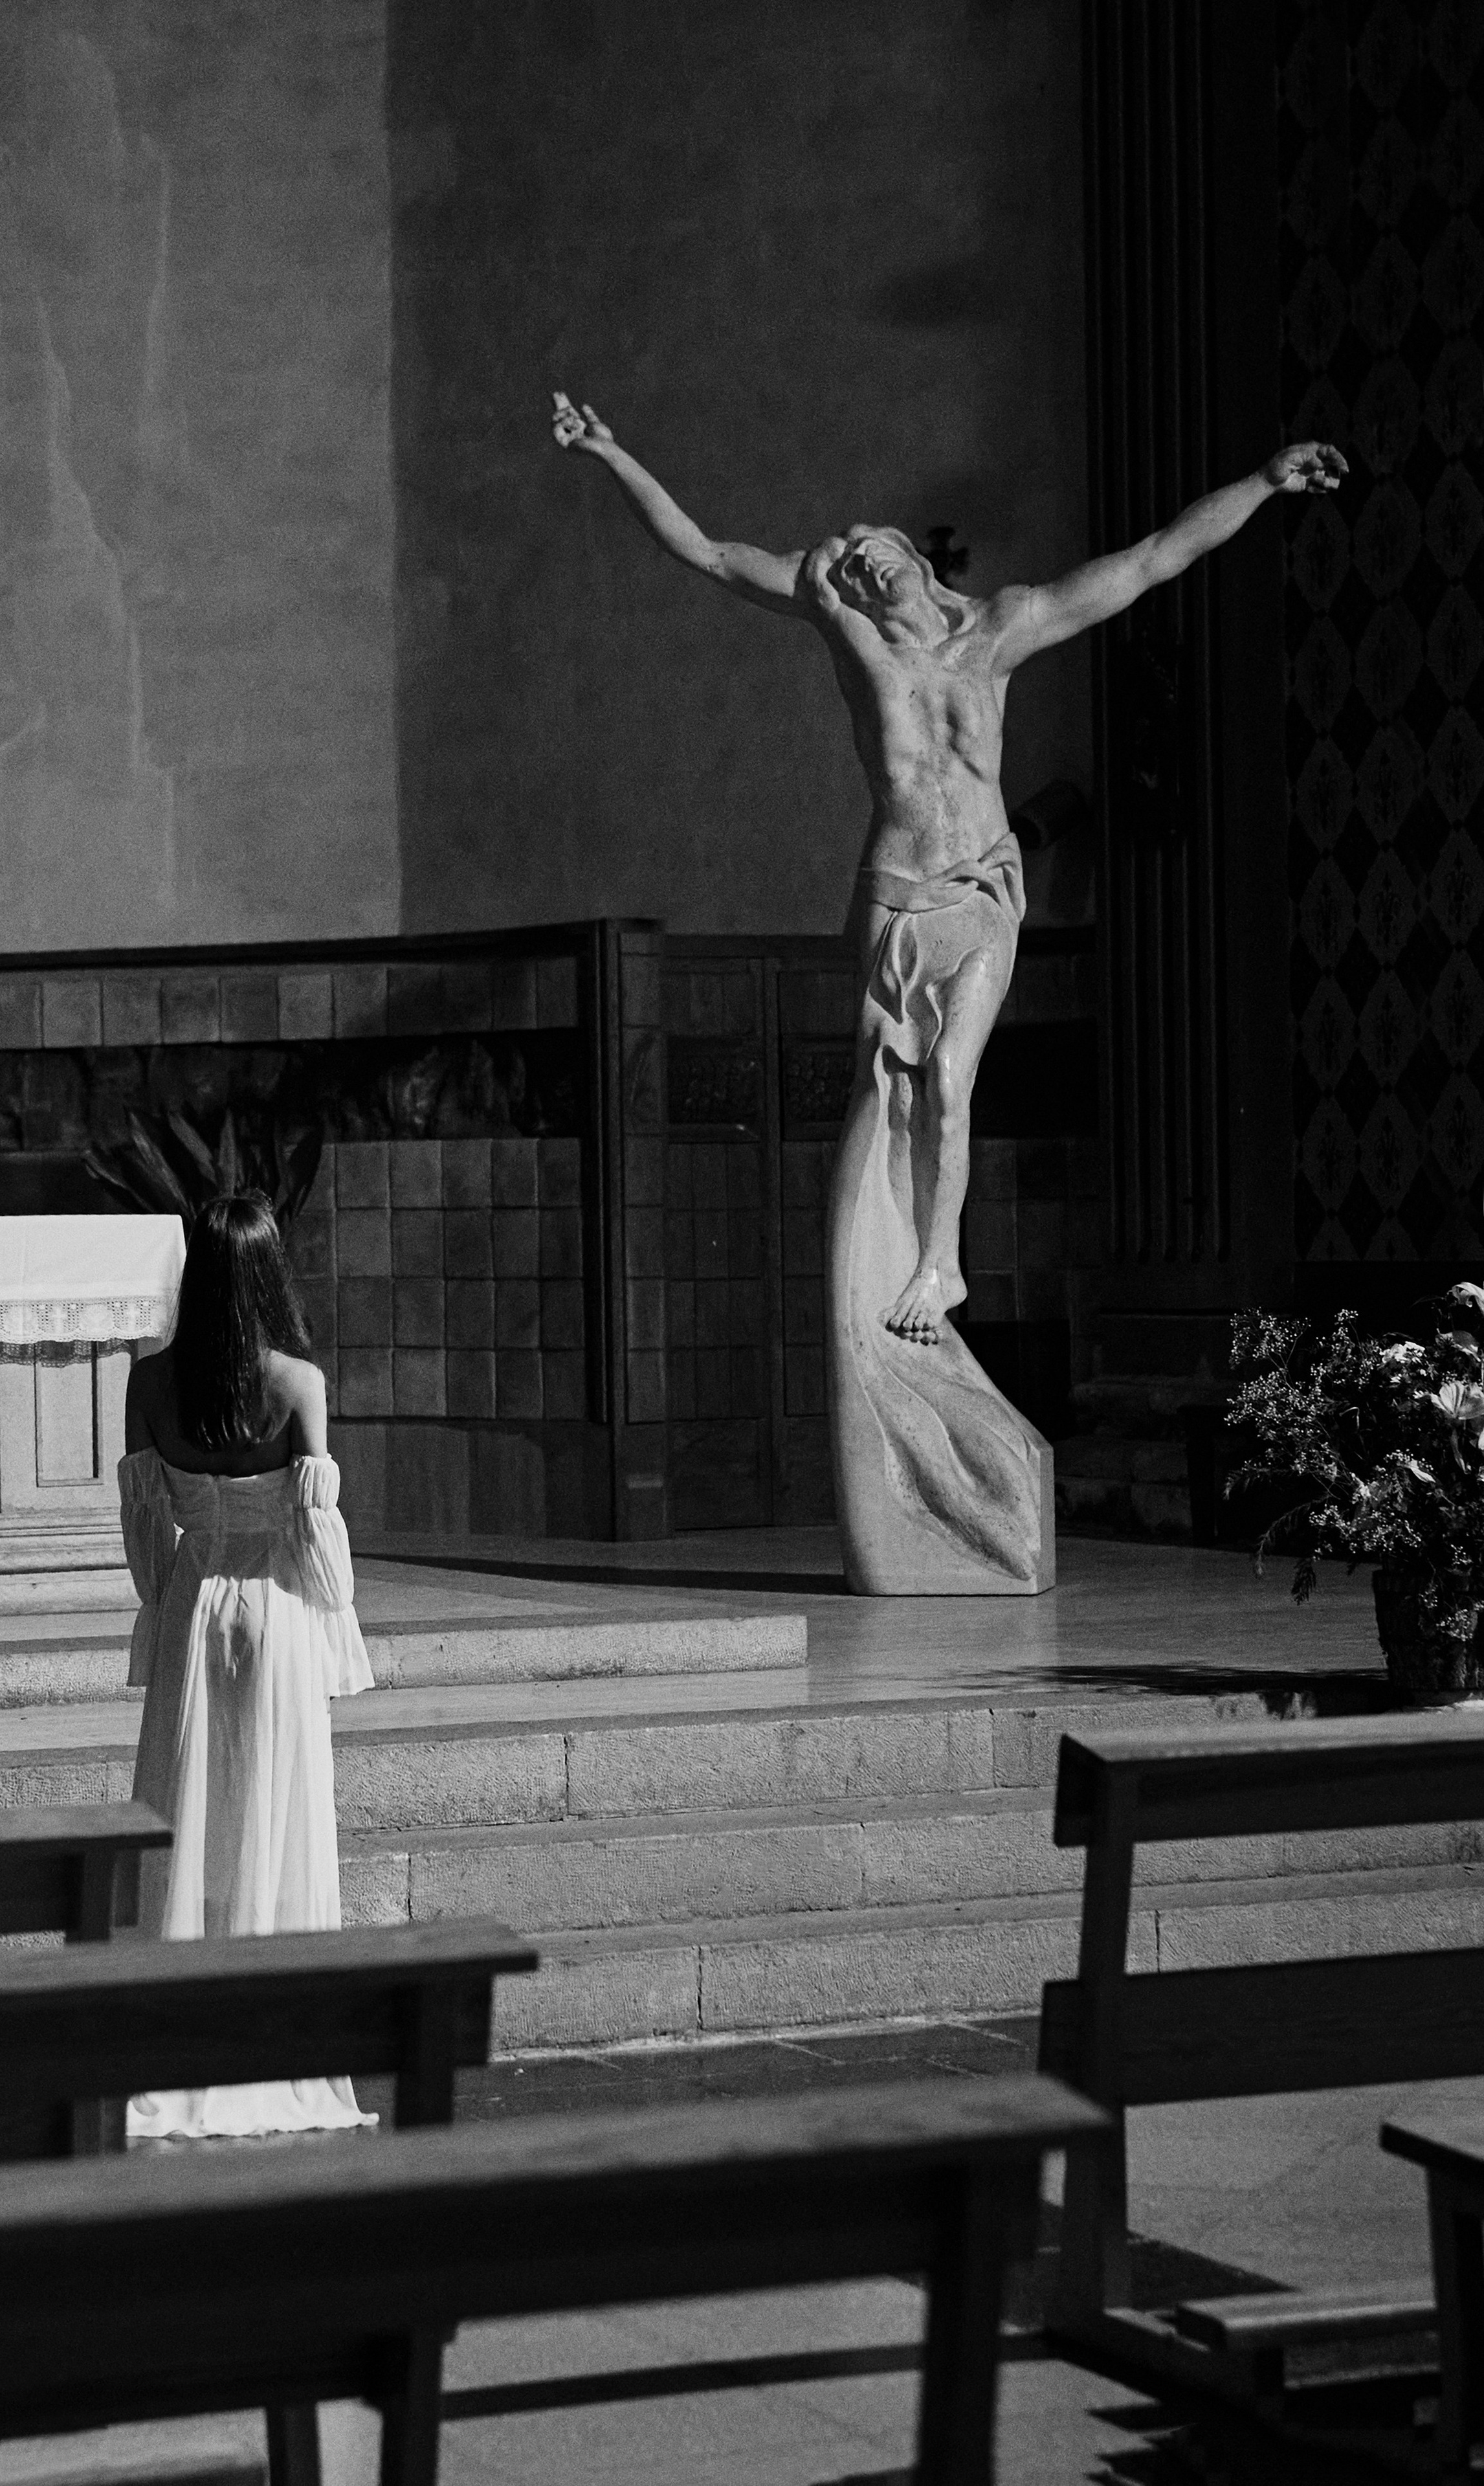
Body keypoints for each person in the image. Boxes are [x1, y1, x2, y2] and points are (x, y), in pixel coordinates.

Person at [551, 392, 1346, 1347]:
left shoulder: (1001, 630)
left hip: (977, 889)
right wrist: (612, 454)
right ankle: (883, 1279)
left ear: (915, 559)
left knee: (949, 1084)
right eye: (846, 559)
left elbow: (1150, 560)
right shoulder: (847, 634)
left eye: (871, 544)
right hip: (892, 895)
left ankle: (940, 1265)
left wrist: (1262, 481)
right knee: (885, 1096)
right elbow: (710, 553)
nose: (857, 557)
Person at [118, 1191, 375, 2138]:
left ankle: (180, 2026)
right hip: (278, 1609)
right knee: (277, 1810)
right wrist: (338, 1633)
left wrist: (166, 1601)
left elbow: (147, 1527)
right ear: (269, 1275)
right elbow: (316, 1534)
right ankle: (273, 2028)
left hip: (196, 1604)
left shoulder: (150, 1383)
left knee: (191, 1809)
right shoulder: (298, 1384)